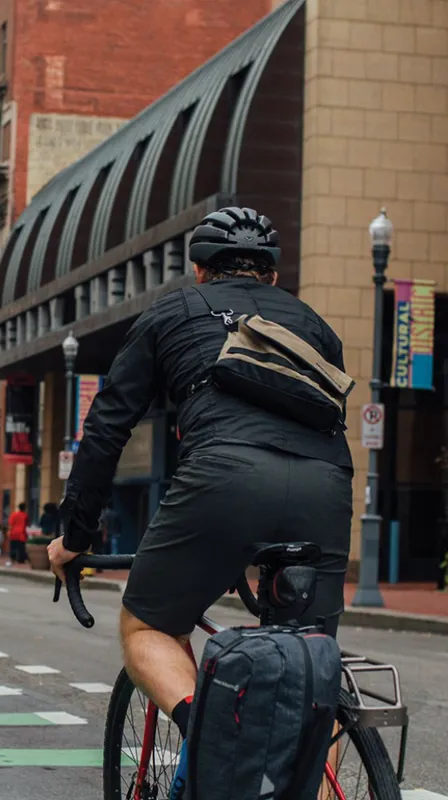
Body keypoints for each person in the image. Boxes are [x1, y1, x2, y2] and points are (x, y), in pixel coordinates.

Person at [47, 207, 352, 797]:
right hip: (326, 484)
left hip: (223, 475)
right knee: (312, 661)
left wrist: (75, 537)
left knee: (148, 627)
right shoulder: (313, 323)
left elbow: (107, 430)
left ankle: (218, 742)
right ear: (270, 274)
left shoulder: (171, 312)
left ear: (197, 269)